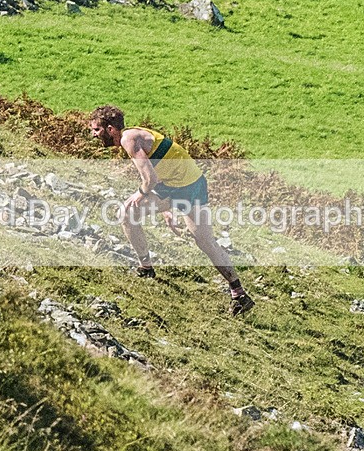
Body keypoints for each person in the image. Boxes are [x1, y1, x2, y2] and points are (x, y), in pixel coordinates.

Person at [89, 105, 255, 316]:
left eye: (96, 130)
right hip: (192, 184)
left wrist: (140, 194)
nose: (93, 135)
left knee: (127, 213)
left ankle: (146, 269)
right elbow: (163, 168)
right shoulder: (134, 134)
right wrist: (166, 208)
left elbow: (150, 179)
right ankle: (239, 293)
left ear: (110, 129)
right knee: (205, 241)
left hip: (181, 189)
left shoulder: (128, 139)